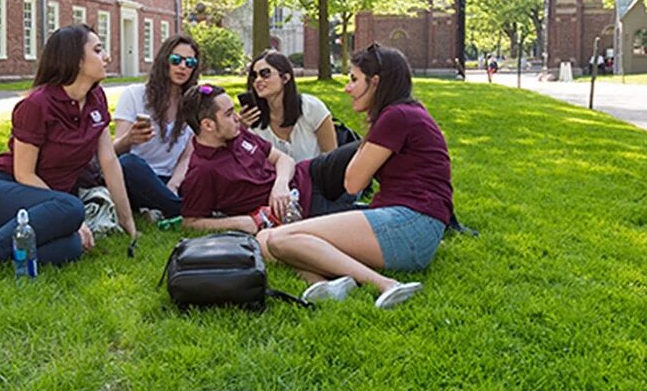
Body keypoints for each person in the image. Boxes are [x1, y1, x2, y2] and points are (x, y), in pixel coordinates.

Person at [0, 24, 137, 284]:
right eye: (98, 49)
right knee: (72, 208)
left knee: (71, 247)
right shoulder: (37, 105)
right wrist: (71, 217)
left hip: (47, 206)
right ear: (75, 59)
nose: (107, 57)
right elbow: (23, 174)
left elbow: (109, 161)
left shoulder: (97, 98)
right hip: (1, 192)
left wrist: (128, 223)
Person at [255, 44, 453, 309]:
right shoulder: (403, 112)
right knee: (264, 241)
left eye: (354, 79)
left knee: (280, 239)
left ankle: (386, 284)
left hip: (413, 225)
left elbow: (352, 183)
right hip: (408, 223)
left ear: (376, 83)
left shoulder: (396, 116)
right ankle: (328, 283)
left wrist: (369, 135)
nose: (347, 88)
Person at [176, 84, 362, 234]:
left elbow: (283, 159)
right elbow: (190, 222)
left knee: (364, 148)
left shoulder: (237, 134)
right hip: (301, 208)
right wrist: (238, 222)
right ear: (208, 125)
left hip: (309, 174)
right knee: (368, 218)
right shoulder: (202, 170)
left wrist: (280, 185)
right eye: (229, 114)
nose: (238, 117)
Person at [113, 35, 200, 219]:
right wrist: (130, 139)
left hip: (170, 178)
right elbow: (114, 152)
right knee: (128, 163)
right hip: (137, 175)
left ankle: (163, 206)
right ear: (164, 61)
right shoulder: (134, 95)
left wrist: (174, 185)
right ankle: (181, 210)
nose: (182, 66)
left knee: (206, 174)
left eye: (190, 62)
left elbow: (188, 156)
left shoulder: (193, 104)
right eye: (176, 60)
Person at [239, 51, 337, 162]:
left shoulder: (312, 108)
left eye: (265, 74)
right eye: (254, 76)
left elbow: (332, 158)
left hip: (317, 177)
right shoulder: (254, 122)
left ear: (285, 78)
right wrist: (240, 131)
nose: (258, 80)